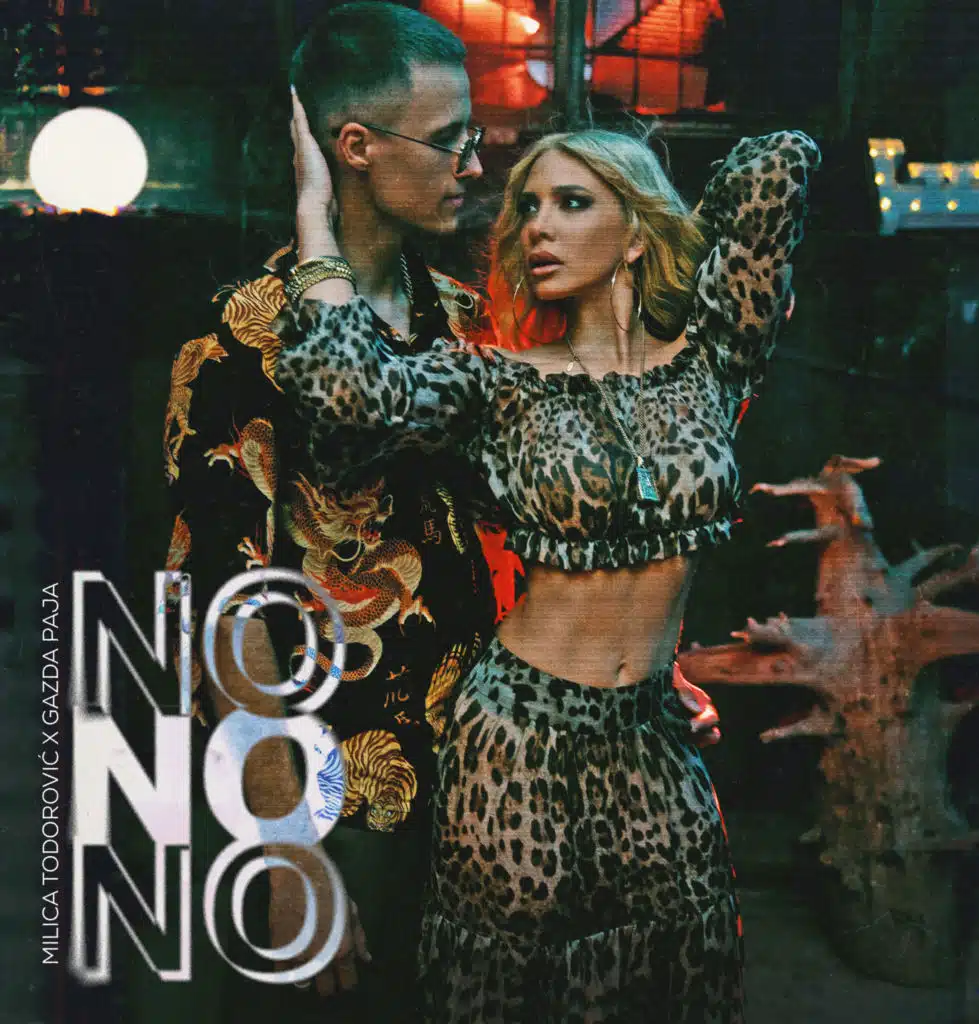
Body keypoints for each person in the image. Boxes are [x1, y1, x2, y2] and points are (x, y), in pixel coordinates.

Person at [161, 4, 722, 1020]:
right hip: (334, 802)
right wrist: (285, 850)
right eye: (451, 139)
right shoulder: (240, 342)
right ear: (357, 148)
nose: (476, 162)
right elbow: (218, 608)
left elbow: (526, 534)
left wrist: (638, 667)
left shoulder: (470, 324)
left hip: (489, 786)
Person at [279, 92, 820, 1021]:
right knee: (504, 993)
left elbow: (782, 157)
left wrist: (671, 218)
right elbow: (346, 394)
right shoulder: (499, 382)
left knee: (684, 978)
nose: (537, 226)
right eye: (527, 206)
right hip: (517, 738)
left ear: (635, 230)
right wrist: (314, 215)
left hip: (654, 734)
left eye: (573, 202)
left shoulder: (714, 360)